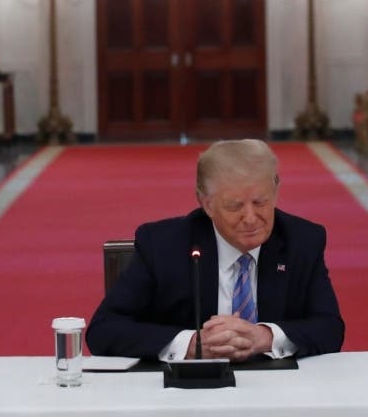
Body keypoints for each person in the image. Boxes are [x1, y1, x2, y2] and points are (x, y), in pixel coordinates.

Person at [87, 139, 344, 360]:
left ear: (276, 191)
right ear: (206, 204)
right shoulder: (163, 245)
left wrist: (264, 337)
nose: (251, 217)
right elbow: (104, 330)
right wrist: (191, 345)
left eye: (261, 202)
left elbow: (330, 328)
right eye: (235, 206)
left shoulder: (303, 241)